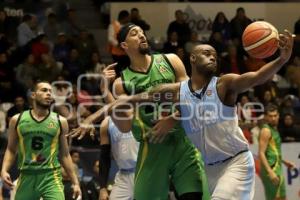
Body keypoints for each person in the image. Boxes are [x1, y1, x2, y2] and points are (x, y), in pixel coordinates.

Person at [87, 29, 294, 199]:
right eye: (207, 53)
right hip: (210, 167)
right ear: (193, 58)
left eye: (215, 55)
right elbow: (131, 100)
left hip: (236, 161)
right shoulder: (175, 91)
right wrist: (92, 115)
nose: (213, 56)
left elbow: (257, 77)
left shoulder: (225, 84)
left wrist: (281, 60)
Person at [70, 23, 208, 200]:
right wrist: (105, 90)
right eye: (134, 34)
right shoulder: (122, 83)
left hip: (183, 142)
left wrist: (174, 118)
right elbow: (125, 125)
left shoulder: (170, 60)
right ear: (124, 46)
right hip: (151, 147)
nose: (142, 36)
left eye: (142, 33)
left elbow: (192, 97)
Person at [1, 81, 81, 200]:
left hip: (51, 176)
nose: (49, 93)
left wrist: (75, 182)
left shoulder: (60, 121)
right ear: (33, 95)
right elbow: (11, 149)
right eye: (44, 90)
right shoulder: (17, 119)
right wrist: (4, 170)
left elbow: (64, 154)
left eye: (50, 91)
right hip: (26, 175)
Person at [259, 104, 295, 200]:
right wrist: (270, 172)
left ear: (279, 115)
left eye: (275, 115)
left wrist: (284, 162)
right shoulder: (266, 130)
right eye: (270, 116)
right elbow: (261, 153)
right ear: (266, 117)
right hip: (271, 169)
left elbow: (272, 152)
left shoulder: (274, 130)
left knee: (282, 197)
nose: (273, 118)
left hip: (277, 168)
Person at [99, 117, 139, 200]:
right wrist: (102, 188)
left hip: (144, 172)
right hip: (123, 175)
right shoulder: (106, 123)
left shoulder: (139, 113)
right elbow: (104, 157)